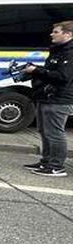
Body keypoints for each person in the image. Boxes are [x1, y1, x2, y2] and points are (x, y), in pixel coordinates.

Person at [21, 19, 73, 177]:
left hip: (59, 98)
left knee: (54, 133)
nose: (51, 34)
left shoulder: (70, 53)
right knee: (44, 131)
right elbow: (51, 71)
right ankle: (46, 161)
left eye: (56, 32)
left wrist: (36, 71)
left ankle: (56, 166)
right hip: (46, 95)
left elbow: (63, 77)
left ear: (68, 34)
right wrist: (36, 70)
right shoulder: (58, 50)